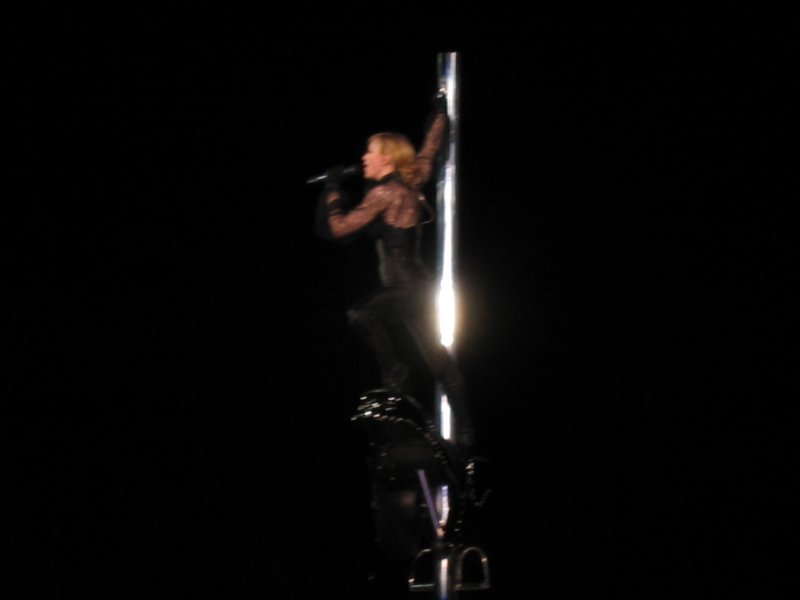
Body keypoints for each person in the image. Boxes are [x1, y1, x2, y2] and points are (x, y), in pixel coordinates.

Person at [314, 93, 474, 453]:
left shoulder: (386, 193)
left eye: (370, 152)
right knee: (438, 361)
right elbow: (429, 150)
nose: (364, 158)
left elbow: (339, 228)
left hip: (404, 287)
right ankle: (465, 431)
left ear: (386, 157)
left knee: (360, 315)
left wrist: (333, 190)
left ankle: (397, 376)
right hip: (418, 287)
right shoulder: (412, 181)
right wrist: (439, 114)